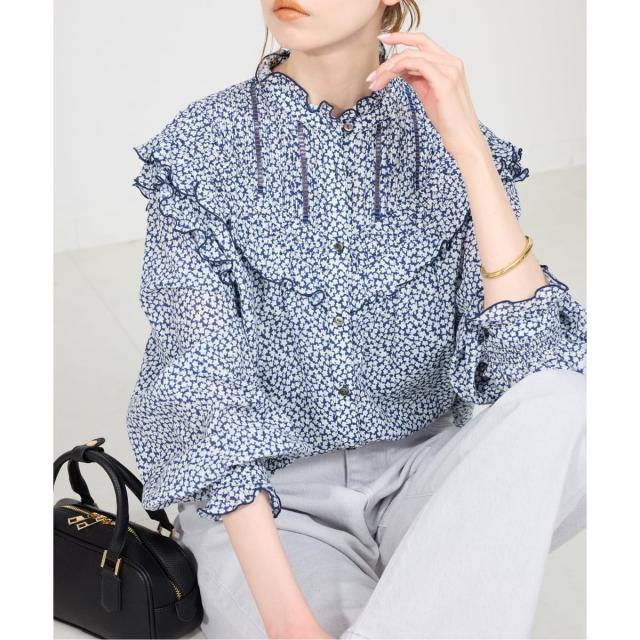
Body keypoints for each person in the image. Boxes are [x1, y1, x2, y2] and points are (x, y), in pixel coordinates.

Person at [126, 1, 587, 638]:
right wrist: (290, 624)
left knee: (573, 404)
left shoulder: (445, 136)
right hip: (277, 509)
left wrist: (471, 151)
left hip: (423, 483)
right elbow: (201, 396)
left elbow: (537, 365)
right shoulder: (202, 149)